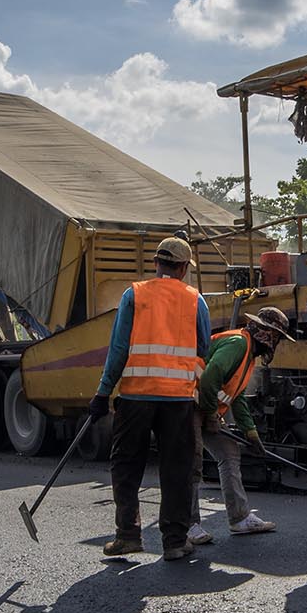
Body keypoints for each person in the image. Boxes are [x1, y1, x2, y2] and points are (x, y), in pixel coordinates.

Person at [86, 237, 212, 561]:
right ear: (183, 268)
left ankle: (128, 535)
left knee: (126, 466)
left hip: (136, 396)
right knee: (177, 470)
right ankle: (174, 541)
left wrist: (103, 392)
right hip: (178, 400)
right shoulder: (196, 300)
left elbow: (118, 349)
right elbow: (203, 349)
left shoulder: (135, 294)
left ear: (156, 263)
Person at [190, 306, 292, 541]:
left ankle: (240, 518)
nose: (276, 343)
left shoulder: (248, 357)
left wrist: (251, 433)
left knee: (229, 452)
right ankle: (188, 525)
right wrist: (212, 414)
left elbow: (237, 399)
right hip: (189, 404)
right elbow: (209, 376)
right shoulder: (238, 343)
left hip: (203, 407)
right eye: (277, 337)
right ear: (266, 333)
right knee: (190, 463)